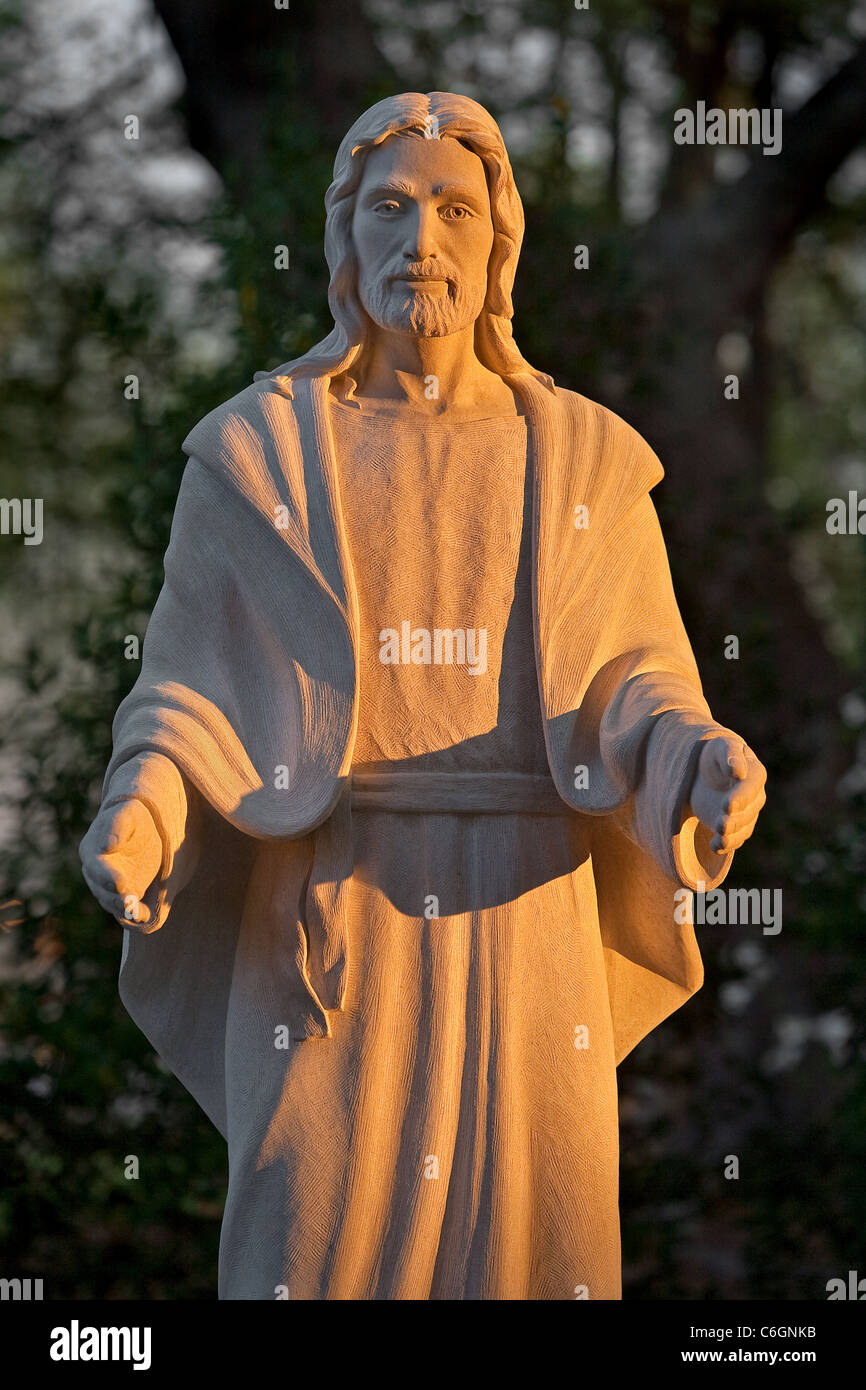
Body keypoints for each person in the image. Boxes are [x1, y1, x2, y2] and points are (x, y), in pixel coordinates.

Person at [79, 91, 766, 1300]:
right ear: (343, 236)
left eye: (453, 208)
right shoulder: (253, 458)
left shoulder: (586, 459)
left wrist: (690, 758)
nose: (421, 241)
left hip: (526, 911)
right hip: (333, 913)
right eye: (388, 208)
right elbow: (184, 695)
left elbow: (635, 683)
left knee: (532, 1250)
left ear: (498, 240)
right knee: (306, 1241)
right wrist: (143, 806)